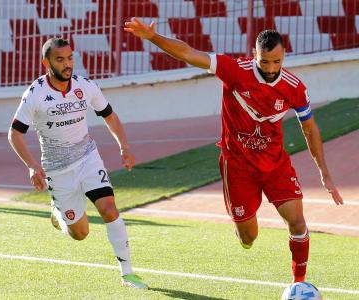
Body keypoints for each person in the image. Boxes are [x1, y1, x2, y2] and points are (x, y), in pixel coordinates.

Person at [125, 18, 344, 283]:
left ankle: (299, 283)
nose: (271, 68)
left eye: (277, 61)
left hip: (275, 165)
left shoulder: (294, 88)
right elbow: (189, 53)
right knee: (248, 238)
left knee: (297, 222)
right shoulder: (233, 70)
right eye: (265, 62)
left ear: (284, 55)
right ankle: (242, 230)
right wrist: (152, 37)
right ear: (255, 55)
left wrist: (324, 172)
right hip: (238, 167)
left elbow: (310, 129)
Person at [8, 38, 148, 289]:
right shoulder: (35, 93)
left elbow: (109, 115)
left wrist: (124, 147)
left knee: (108, 208)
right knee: (80, 233)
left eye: (70, 58)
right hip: (57, 170)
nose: (67, 64)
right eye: (60, 59)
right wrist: (31, 166)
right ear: (46, 62)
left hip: (87, 158)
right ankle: (59, 215)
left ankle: (127, 273)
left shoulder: (85, 86)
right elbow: (14, 133)